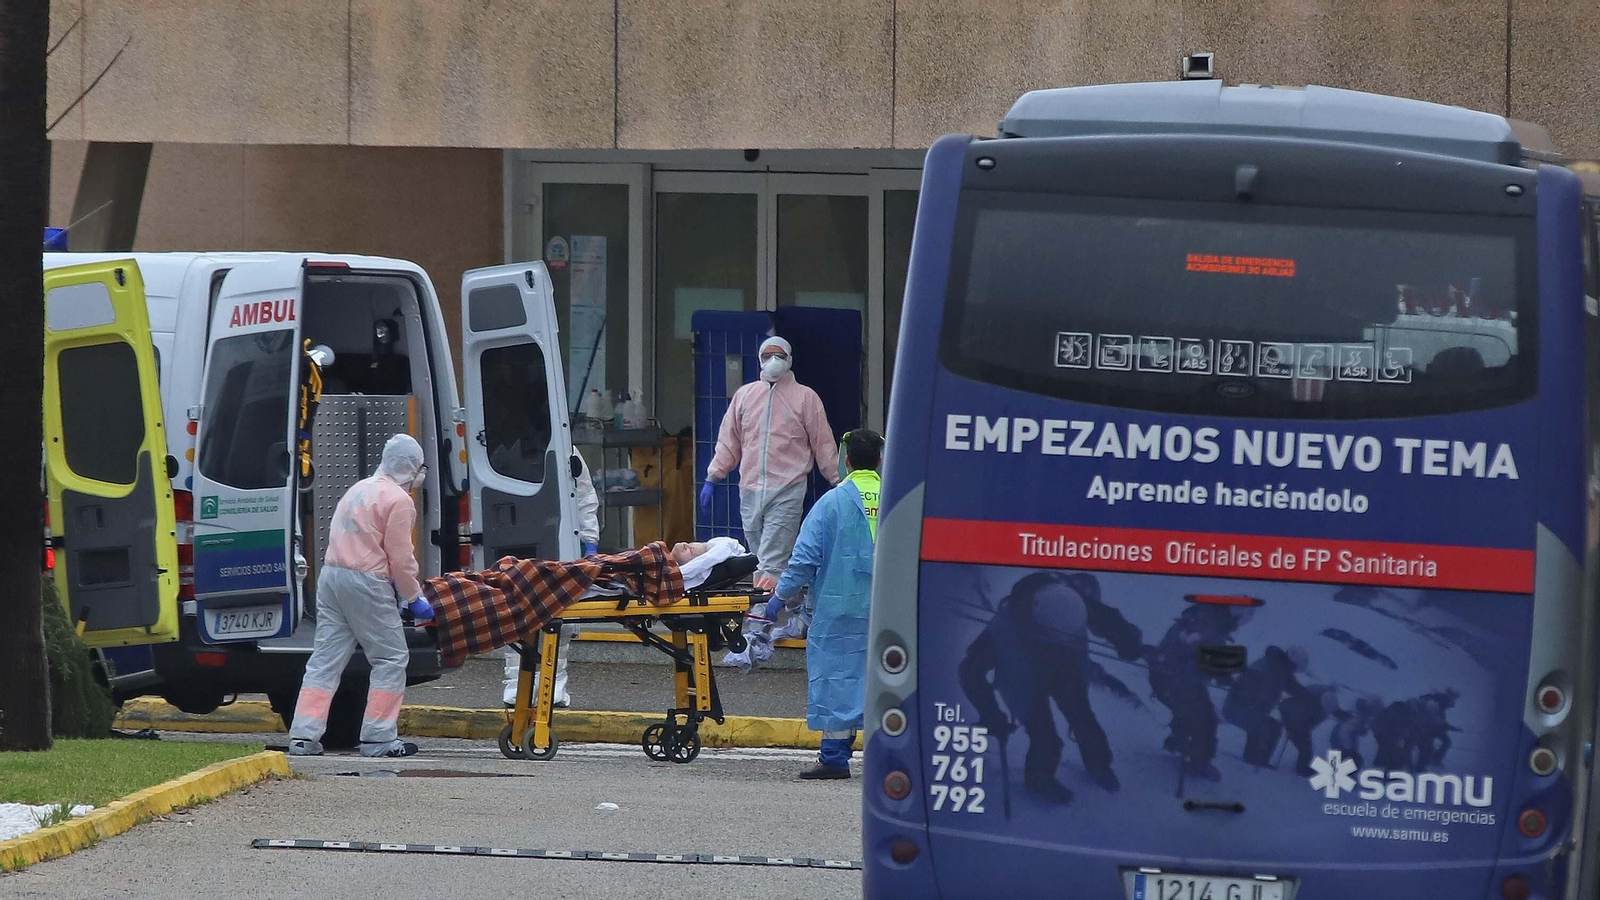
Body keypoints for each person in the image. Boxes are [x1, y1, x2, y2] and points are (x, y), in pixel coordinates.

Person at [289, 434, 427, 758]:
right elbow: (401, 557)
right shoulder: (399, 501)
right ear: (410, 466)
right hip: (366, 581)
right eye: (419, 467)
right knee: (391, 657)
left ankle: (303, 735)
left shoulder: (358, 489)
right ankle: (379, 737)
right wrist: (413, 597)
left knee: (325, 659)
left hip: (331, 577)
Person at [958, 572, 1143, 804]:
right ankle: (1039, 781)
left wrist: (1127, 641)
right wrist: (990, 714)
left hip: (1066, 668)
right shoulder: (1003, 630)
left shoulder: (1068, 599)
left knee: (1083, 718)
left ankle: (1099, 765)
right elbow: (970, 670)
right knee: (1044, 736)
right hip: (1021, 678)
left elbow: (1107, 619)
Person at [771, 428, 882, 779]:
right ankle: (892, 756)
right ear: (880, 460)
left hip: (840, 608)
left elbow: (804, 559)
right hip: (893, 609)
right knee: (889, 679)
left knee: (836, 679)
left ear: (846, 461)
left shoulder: (831, 504)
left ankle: (835, 758)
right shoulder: (898, 499)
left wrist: (779, 598)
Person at [701, 336, 840, 591]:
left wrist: (836, 479)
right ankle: (787, 605)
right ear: (759, 359)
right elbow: (729, 440)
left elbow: (823, 442)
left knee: (772, 560)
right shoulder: (745, 396)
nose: (773, 361)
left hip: (788, 487)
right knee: (760, 557)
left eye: (780, 356)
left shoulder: (805, 398)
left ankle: (762, 619)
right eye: (767, 355)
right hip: (750, 488)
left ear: (789, 360)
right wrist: (714, 476)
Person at [502, 452, 600, 709]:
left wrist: (589, 539)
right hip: (522, 539)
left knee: (561, 621)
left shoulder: (565, 448)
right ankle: (518, 686)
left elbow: (584, 494)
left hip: (557, 540)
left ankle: (552, 687)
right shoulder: (503, 447)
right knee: (517, 616)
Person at [1148, 602, 1255, 782]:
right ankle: (1199, 762)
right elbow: (1203, 651)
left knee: (1190, 709)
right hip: (1177, 678)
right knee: (1206, 719)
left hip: (1164, 675)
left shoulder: (1201, 617)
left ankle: (1178, 740)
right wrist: (1224, 676)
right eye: (1241, 621)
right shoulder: (1212, 624)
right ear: (1236, 617)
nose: (1238, 626)